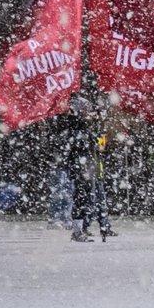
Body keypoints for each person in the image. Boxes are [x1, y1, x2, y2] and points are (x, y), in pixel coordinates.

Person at [53, 92, 113, 242]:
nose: (89, 114)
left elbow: (99, 145)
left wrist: (97, 127)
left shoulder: (84, 129)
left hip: (87, 167)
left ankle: (83, 228)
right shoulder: (75, 128)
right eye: (85, 110)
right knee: (82, 198)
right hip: (81, 168)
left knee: (87, 198)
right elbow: (84, 145)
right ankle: (78, 230)